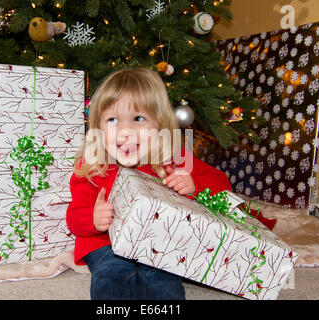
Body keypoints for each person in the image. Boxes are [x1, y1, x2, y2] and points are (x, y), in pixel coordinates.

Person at [66, 68, 232, 300]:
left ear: (160, 125)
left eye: (138, 119)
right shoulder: (93, 165)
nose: (126, 131)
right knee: (111, 274)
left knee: (164, 279)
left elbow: (222, 184)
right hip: (106, 243)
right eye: (112, 120)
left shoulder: (171, 157)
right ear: (98, 128)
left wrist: (194, 184)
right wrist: (92, 218)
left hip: (158, 242)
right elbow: (74, 217)